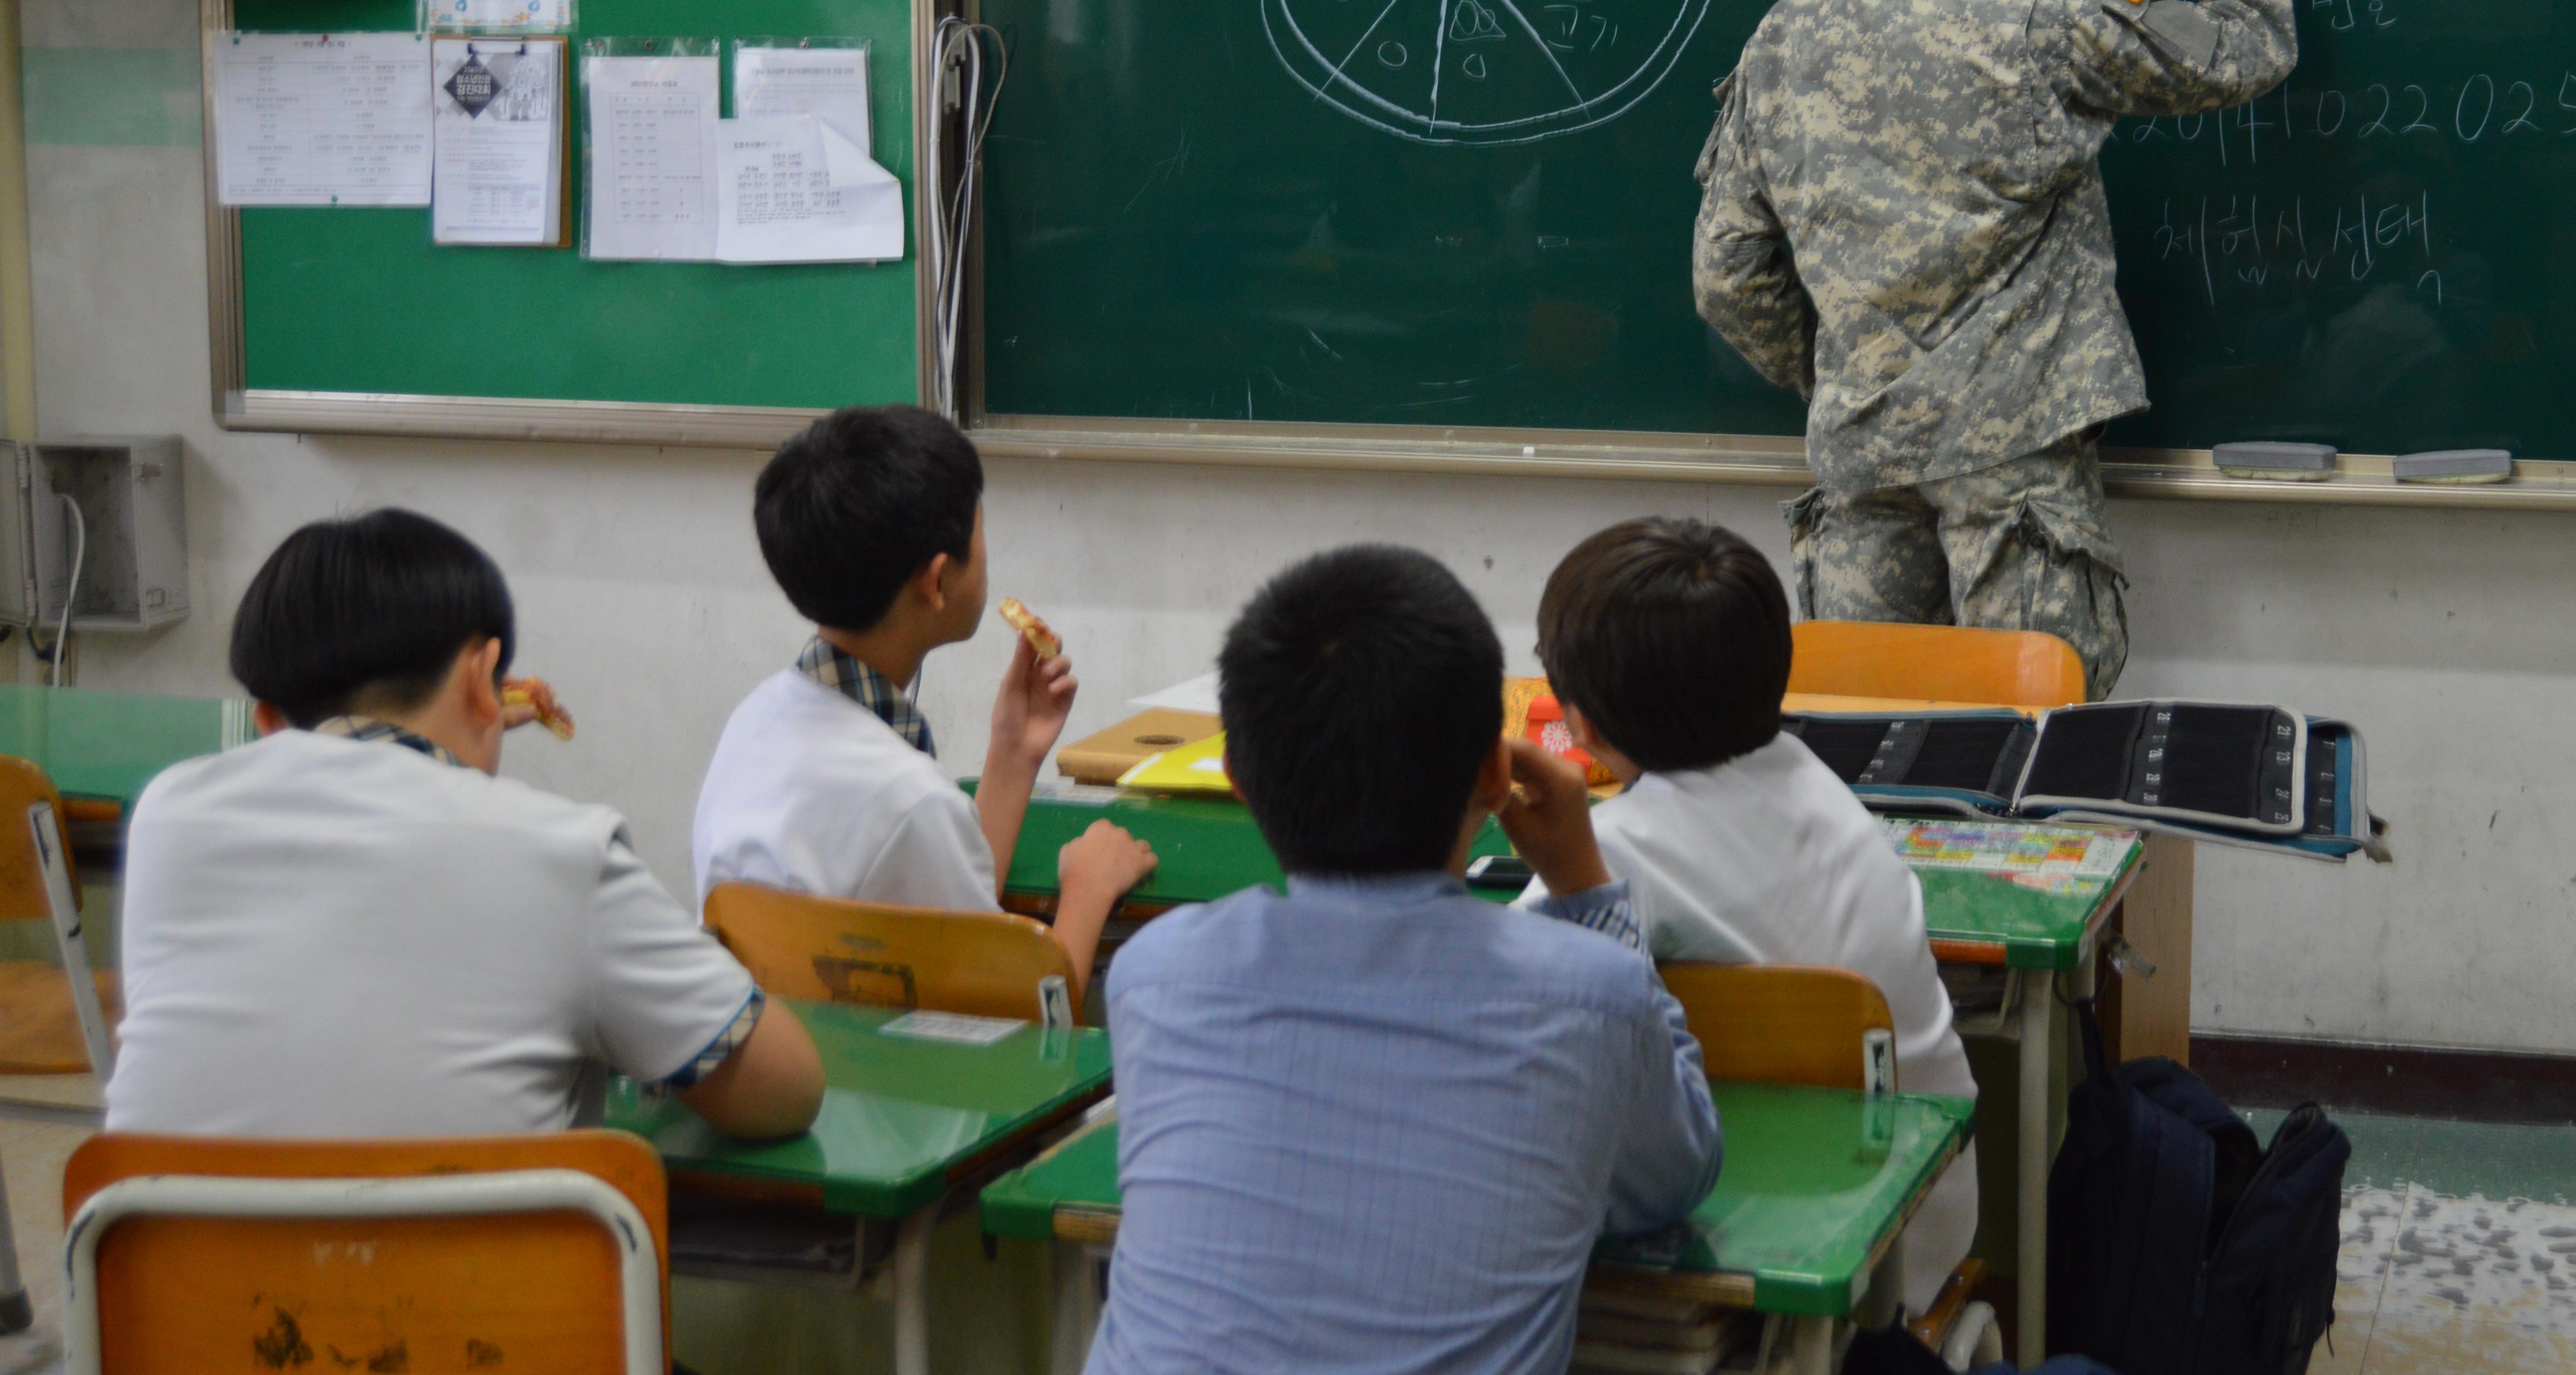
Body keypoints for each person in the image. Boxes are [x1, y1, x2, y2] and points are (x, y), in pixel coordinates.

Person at [1694, 0, 2295, 695]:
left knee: (1864, 752)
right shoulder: (2035, 19)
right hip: (2015, 475)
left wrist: (1845, 373)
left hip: (1861, 461)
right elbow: (2248, 47)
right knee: (2036, 767)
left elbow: (1727, 271)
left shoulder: (1783, 37)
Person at [1088, 544, 1724, 1375]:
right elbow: (1672, 1178)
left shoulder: (1155, 973)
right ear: (1496, 774)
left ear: (1237, 777)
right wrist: (1582, 884)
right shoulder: (1587, 995)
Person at [106, 509, 823, 1140]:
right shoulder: (558, 851)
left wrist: (467, 723)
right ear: (485, 679)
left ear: (265, 721)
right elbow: (786, 1091)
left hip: (183, 1290)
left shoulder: (169, 819)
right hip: (468, 1292)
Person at [1517, 516, 1979, 1315]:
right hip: (1924, 1225)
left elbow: (1497, 1002)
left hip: (1784, 1262)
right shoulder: (1817, 783)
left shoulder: (1618, 850)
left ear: (1578, 724)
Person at [694, 404, 1153, 977]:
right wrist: (1088, 890)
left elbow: (944, 904)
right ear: (937, 582)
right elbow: (1023, 1030)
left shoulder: (752, 723)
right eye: (981, 534)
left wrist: (1013, 752)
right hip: (885, 1067)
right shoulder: (911, 800)